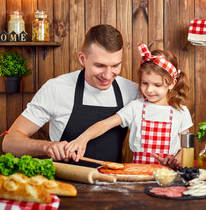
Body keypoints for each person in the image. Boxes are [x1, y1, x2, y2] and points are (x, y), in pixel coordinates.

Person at [2, 24, 139, 167]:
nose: (108, 75)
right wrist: (47, 147)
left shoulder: (131, 91)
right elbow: (9, 142)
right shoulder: (56, 89)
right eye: (100, 66)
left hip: (111, 185)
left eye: (116, 65)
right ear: (82, 59)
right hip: (65, 186)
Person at [65, 43, 193, 169]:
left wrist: (176, 160)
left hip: (169, 175)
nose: (149, 90)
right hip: (138, 173)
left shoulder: (181, 111)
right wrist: (83, 138)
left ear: (172, 83)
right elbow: (105, 124)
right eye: (144, 83)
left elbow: (188, 147)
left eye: (157, 85)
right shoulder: (136, 107)